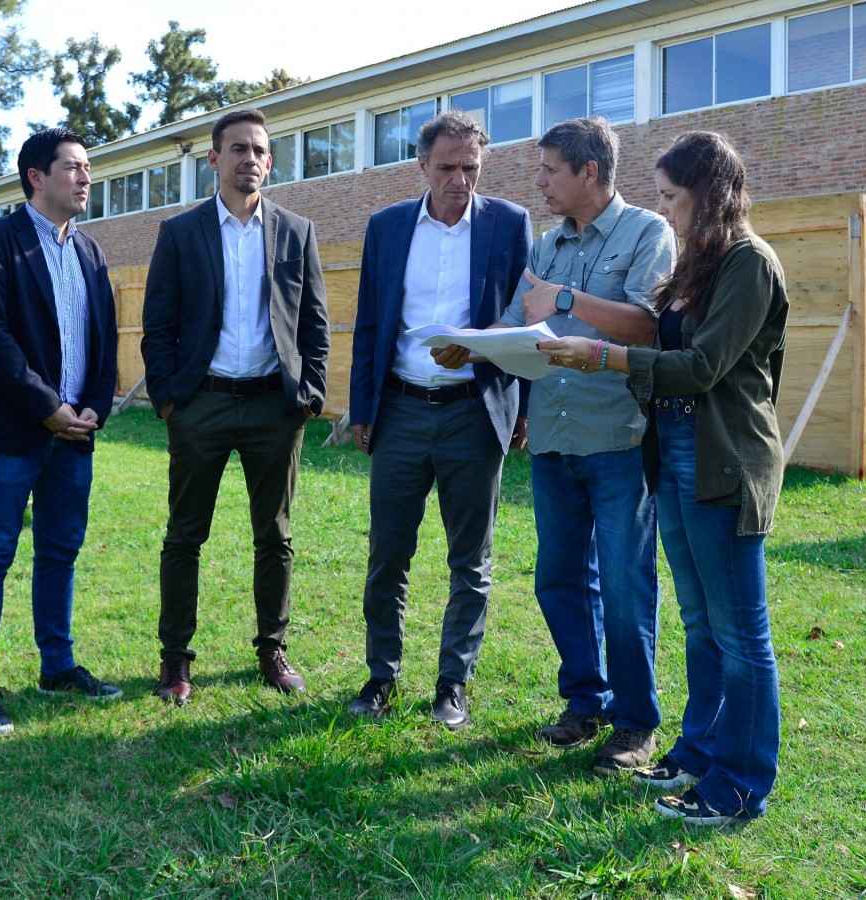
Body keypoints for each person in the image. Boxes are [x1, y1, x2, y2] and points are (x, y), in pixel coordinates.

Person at [539, 130, 787, 825]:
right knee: (702, 623)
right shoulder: (699, 265)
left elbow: (703, 367)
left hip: (722, 463)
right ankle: (700, 752)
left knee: (741, 635)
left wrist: (605, 357)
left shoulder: (749, 264)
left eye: (673, 198)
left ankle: (740, 785)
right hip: (674, 453)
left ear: (708, 197)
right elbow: (664, 338)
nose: (666, 211)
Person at [440, 116, 675, 769]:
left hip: (618, 438)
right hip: (551, 438)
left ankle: (636, 722)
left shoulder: (648, 234)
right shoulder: (544, 247)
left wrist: (570, 297)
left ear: (588, 172)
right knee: (559, 579)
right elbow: (521, 320)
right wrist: (474, 342)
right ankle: (586, 702)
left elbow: (649, 328)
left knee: (626, 587)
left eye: (548, 170)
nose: (537, 181)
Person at [345, 111, 531, 730]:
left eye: (471, 168)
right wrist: (364, 409)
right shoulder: (388, 227)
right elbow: (372, 322)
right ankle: (381, 676)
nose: (460, 180)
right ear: (421, 166)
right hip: (399, 409)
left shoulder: (509, 224)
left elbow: (524, 320)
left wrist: (520, 410)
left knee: (470, 561)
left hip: (473, 414)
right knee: (388, 553)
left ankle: (453, 683)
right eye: (447, 168)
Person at [141, 108, 329, 704]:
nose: (251, 159)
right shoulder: (181, 232)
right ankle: (175, 661)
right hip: (202, 406)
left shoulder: (297, 231)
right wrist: (171, 401)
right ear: (214, 160)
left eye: (260, 151)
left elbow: (315, 325)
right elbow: (158, 326)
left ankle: (272, 649)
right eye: (239, 149)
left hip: (276, 409)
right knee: (184, 536)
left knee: (275, 537)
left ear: (270, 161)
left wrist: (309, 394)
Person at [0, 128, 122, 737]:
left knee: (60, 551)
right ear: (36, 177)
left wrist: (94, 407)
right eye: (73, 167)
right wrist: (47, 406)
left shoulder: (92, 252)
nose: (85, 178)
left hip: (76, 433)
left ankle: (57, 666)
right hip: (9, 433)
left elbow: (105, 339)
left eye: (87, 168)